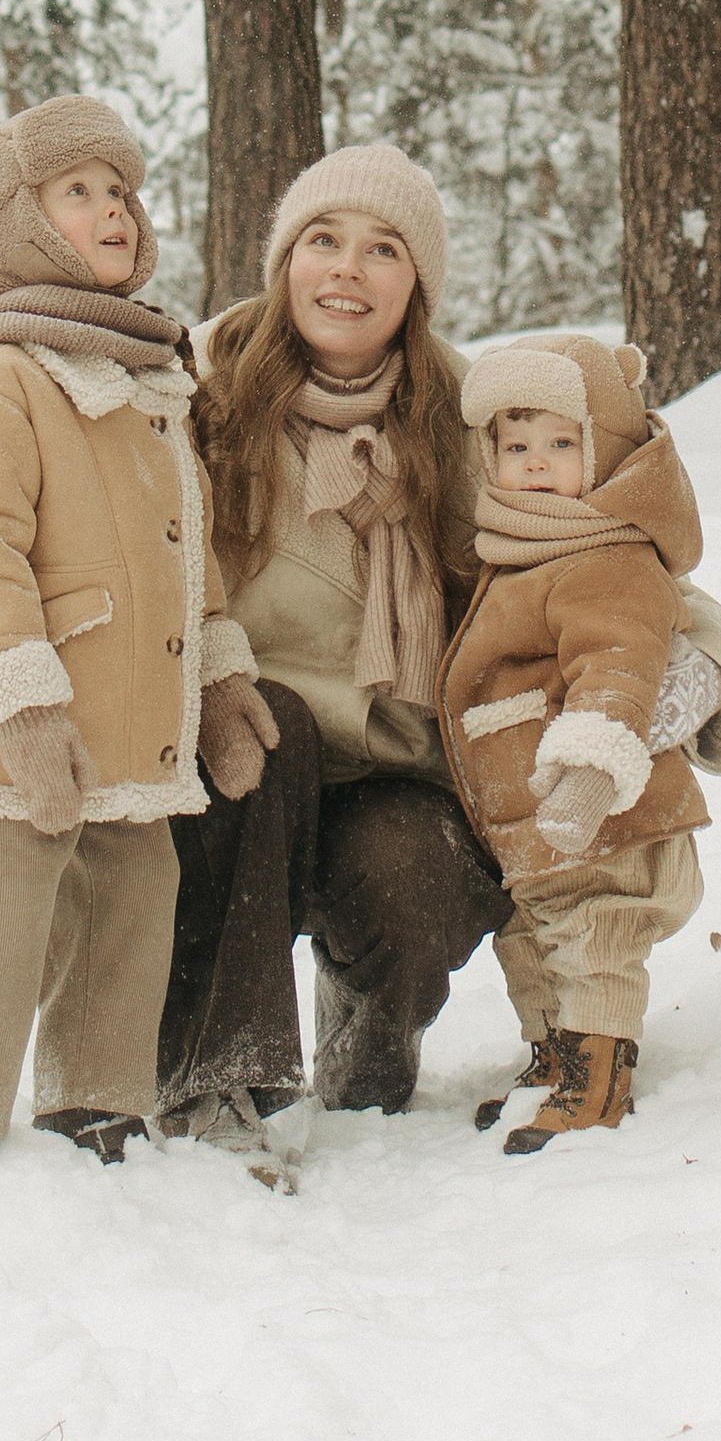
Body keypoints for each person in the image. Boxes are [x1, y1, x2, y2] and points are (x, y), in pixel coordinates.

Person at [0, 95, 275, 1178]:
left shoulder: (151, 377)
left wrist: (219, 677)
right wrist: (23, 706)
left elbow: (191, 550)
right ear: (13, 228)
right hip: (12, 721)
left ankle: (93, 1097)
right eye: (76, 192)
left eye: (119, 189)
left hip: (132, 716)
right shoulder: (0, 378)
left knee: (131, 903)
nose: (112, 209)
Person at [156, 144, 501, 1151]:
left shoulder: (467, 415)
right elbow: (41, 455)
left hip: (394, 766)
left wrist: (689, 658)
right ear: (284, 261)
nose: (346, 270)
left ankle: (368, 1018)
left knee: (413, 870)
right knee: (269, 725)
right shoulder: (196, 386)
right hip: (239, 755)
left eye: (381, 248)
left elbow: (601, 541)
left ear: (416, 285)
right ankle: (212, 1074)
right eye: (322, 240)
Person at [442, 334, 708, 1153]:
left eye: (562, 443)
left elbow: (618, 668)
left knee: (595, 937)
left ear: (607, 449)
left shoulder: (605, 552)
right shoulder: (522, 543)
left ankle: (596, 1075)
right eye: (516, 445)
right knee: (533, 935)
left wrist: (591, 770)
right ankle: (553, 1056)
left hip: (600, 816)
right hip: (533, 822)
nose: (534, 463)